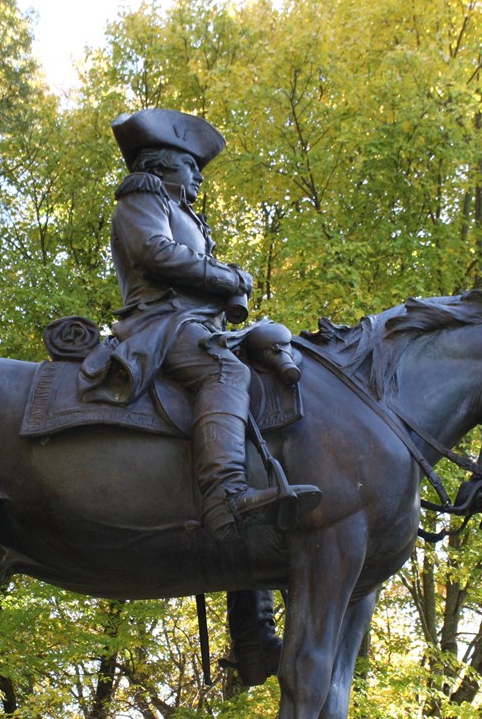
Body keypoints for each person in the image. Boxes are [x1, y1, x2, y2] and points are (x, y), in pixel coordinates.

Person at [81, 108, 320, 542]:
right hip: (161, 324)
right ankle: (225, 495)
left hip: (196, 325)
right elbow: (154, 251)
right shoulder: (143, 197)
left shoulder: (183, 212)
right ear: (161, 163)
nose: (199, 177)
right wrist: (227, 277)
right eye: (191, 165)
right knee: (227, 371)